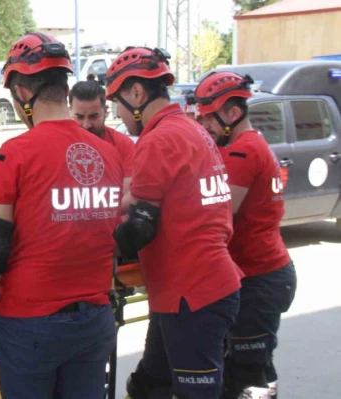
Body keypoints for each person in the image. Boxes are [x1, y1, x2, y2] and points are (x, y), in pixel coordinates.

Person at [0, 32, 123, 399]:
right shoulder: (109, 153)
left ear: (22, 94)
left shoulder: (12, 155)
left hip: (29, 327)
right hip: (95, 320)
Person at [103, 46, 244, 399]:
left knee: (192, 393)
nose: (118, 114)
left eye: (117, 102)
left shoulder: (159, 138)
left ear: (136, 93)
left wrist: (93, 244)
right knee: (149, 386)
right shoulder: (192, 130)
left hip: (191, 294)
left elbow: (138, 228)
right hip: (199, 286)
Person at [189, 71, 297, 399]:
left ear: (233, 114)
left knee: (247, 376)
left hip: (258, 277)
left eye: (208, 118)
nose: (203, 125)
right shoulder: (246, 144)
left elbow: (217, 214)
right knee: (252, 370)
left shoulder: (243, 151)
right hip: (261, 274)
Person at [69, 75, 136, 206]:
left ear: (105, 111)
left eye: (94, 116)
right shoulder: (58, 145)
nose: (86, 124)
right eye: (79, 117)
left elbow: (128, 194)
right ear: (69, 111)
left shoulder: (123, 145)